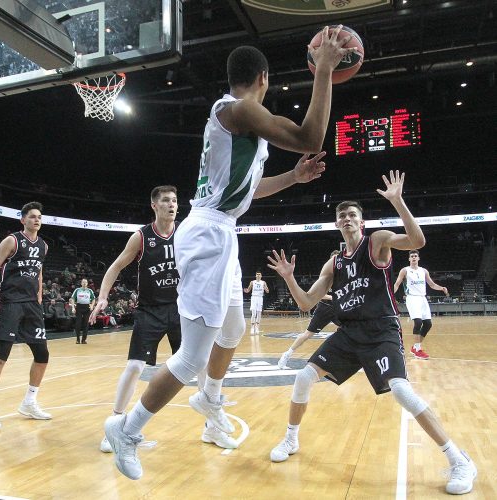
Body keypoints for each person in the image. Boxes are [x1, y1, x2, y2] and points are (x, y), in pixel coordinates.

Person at [104, 31, 356, 480]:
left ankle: (210, 398)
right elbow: (311, 134)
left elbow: (249, 190)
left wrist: (293, 179)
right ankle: (127, 428)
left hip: (222, 229)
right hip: (206, 235)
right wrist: (323, 69)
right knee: (190, 359)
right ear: (263, 78)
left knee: (235, 326)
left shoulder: (239, 122)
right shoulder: (236, 109)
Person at [267, 171, 477, 496]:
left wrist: (397, 201)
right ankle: (291, 438)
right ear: (337, 224)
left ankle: (459, 459)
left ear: (360, 222)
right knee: (303, 377)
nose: (347, 218)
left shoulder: (376, 242)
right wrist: (289, 277)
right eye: (342, 216)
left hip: (381, 330)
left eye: (352, 214)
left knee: (402, 392)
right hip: (349, 334)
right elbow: (307, 302)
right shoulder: (334, 262)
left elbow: (417, 241)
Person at [89, 186, 187, 453]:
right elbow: (116, 266)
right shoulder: (142, 237)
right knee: (134, 367)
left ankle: (211, 425)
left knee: (196, 366)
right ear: (154, 205)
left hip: (181, 310)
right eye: (166, 200)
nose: (172, 204)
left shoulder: (186, 232)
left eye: (175, 201)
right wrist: (102, 297)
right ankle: (115, 427)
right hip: (150, 311)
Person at [0, 202, 52, 429]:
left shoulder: (43, 246)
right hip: (11, 303)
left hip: (32, 305)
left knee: (42, 354)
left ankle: (29, 402)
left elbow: (38, 272)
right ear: (23, 220)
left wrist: (39, 297)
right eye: (32, 217)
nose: (36, 220)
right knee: (1, 355)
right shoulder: (12, 241)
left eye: (39, 217)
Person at [278, 250, 340, 369]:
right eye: (334, 259)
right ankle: (286, 355)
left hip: (338, 308)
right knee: (308, 334)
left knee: (350, 331)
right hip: (325, 308)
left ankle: (355, 360)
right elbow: (318, 295)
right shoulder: (326, 277)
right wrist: (334, 297)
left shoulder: (344, 275)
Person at [393, 250, 449, 359]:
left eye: (415, 256)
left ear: (418, 258)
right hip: (412, 298)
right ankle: (418, 350)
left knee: (428, 324)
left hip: (423, 299)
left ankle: (415, 347)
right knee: (418, 322)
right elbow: (397, 284)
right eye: (412, 256)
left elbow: (432, 284)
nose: (414, 258)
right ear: (409, 259)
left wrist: (441, 288)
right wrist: (391, 294)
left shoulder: (424, 271)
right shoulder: (405, 270)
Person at [72, 278, 95, 344]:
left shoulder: (90, 290)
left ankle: (84, 339)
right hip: (79, 307)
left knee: (86, 324)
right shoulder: (77, 290)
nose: (84, 284)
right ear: (81, 283)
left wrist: (92, 306)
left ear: (87, 283)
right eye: (83, 282)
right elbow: (72, 299)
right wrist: (73, 308)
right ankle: (78, 339)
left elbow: (93, 299)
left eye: (85, 282)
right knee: (78, 323)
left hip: (87, 308)